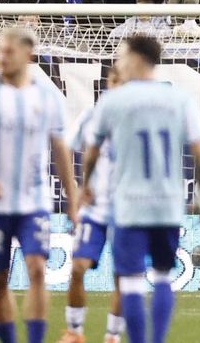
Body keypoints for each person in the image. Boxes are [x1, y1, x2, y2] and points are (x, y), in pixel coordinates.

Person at [82, 34, 200, 343]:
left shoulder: (113, 100)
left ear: (137, 59)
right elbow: (199, 148)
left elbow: (93, 150)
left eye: (122, 57)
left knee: (131, 283)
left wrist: (86, 185)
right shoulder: (178, 99)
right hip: (167, 204)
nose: (118, 63)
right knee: (164, 276)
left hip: (128, 204)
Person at [0, 23, 80, 343]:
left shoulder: (47, 97)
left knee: (38, 269)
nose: (2, 57)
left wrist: (73, 196)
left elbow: (60, 149)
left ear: (28, 54)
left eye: (8, 52)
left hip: (34, 201)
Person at [64, 66, 127, 343]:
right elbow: (66, 146)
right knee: (78, 267)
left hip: (127, 211)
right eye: (114, 80)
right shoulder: (91, 116)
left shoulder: (140, 120)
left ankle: (112, 336)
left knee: (122, 277)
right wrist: (77, 188)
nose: (117, 86)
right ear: (108, 83)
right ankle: (75, 332)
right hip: (95, 210)